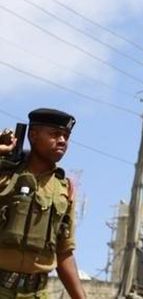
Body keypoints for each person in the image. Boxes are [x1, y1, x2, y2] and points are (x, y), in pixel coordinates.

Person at [0, 108, 85, 299]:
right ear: (33, 135)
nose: (62, 140)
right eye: (55, 134)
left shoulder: (64, 188)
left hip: (37, 292)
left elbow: (64, 251)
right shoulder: (5, 173)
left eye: (66, 136)